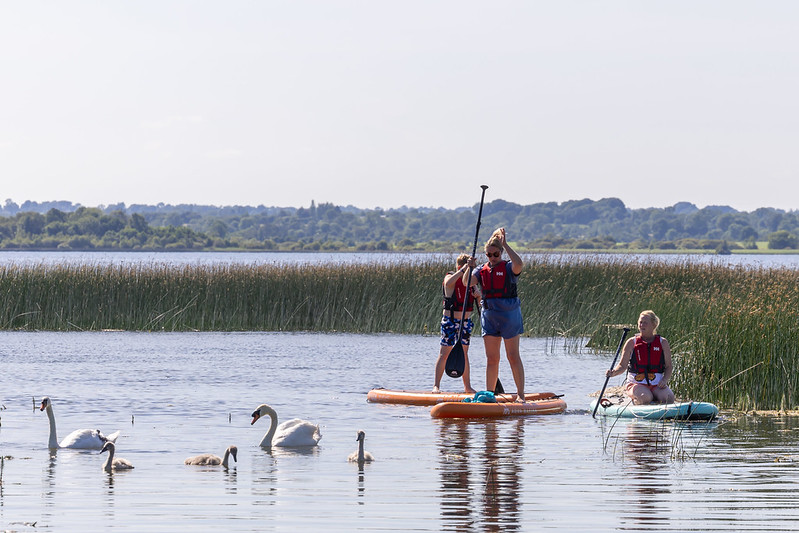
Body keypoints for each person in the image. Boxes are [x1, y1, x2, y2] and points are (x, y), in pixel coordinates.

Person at [465, 228, 526, 402]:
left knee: (513, 356)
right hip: (490, 316)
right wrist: (469, 268)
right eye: (489, 254)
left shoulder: (508, 267)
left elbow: (519, 265)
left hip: (509, 315)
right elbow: (466, 282)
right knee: (492, 358)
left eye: (496, 254)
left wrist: (506, 244)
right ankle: (489, 396)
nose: (492, 258)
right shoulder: (480, 270)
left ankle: (520, 395)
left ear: (501, 253)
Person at [606, 310, 676, 405]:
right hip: (636, 384)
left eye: (645, 323)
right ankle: (636, 400)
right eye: (640, 322)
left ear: (654, 325)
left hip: (656, 384)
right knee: (645, 398)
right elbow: (622, 366)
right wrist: (613, 373)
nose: (642, 325)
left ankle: (654, 398)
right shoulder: (631, 342)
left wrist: (664, 380)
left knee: (669, 398)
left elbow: (668, 366)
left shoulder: (663, 342)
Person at [433, 254, 479, 393]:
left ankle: (467, 387)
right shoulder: (451, 277)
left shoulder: (471, 282)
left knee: (464, 354)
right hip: (450, 321)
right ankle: (436, 386)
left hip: (465, 322)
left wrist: (478, 294)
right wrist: (463, 270)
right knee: (444, 353)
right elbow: (447, 283)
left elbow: (480, 302)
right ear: (461, 267)